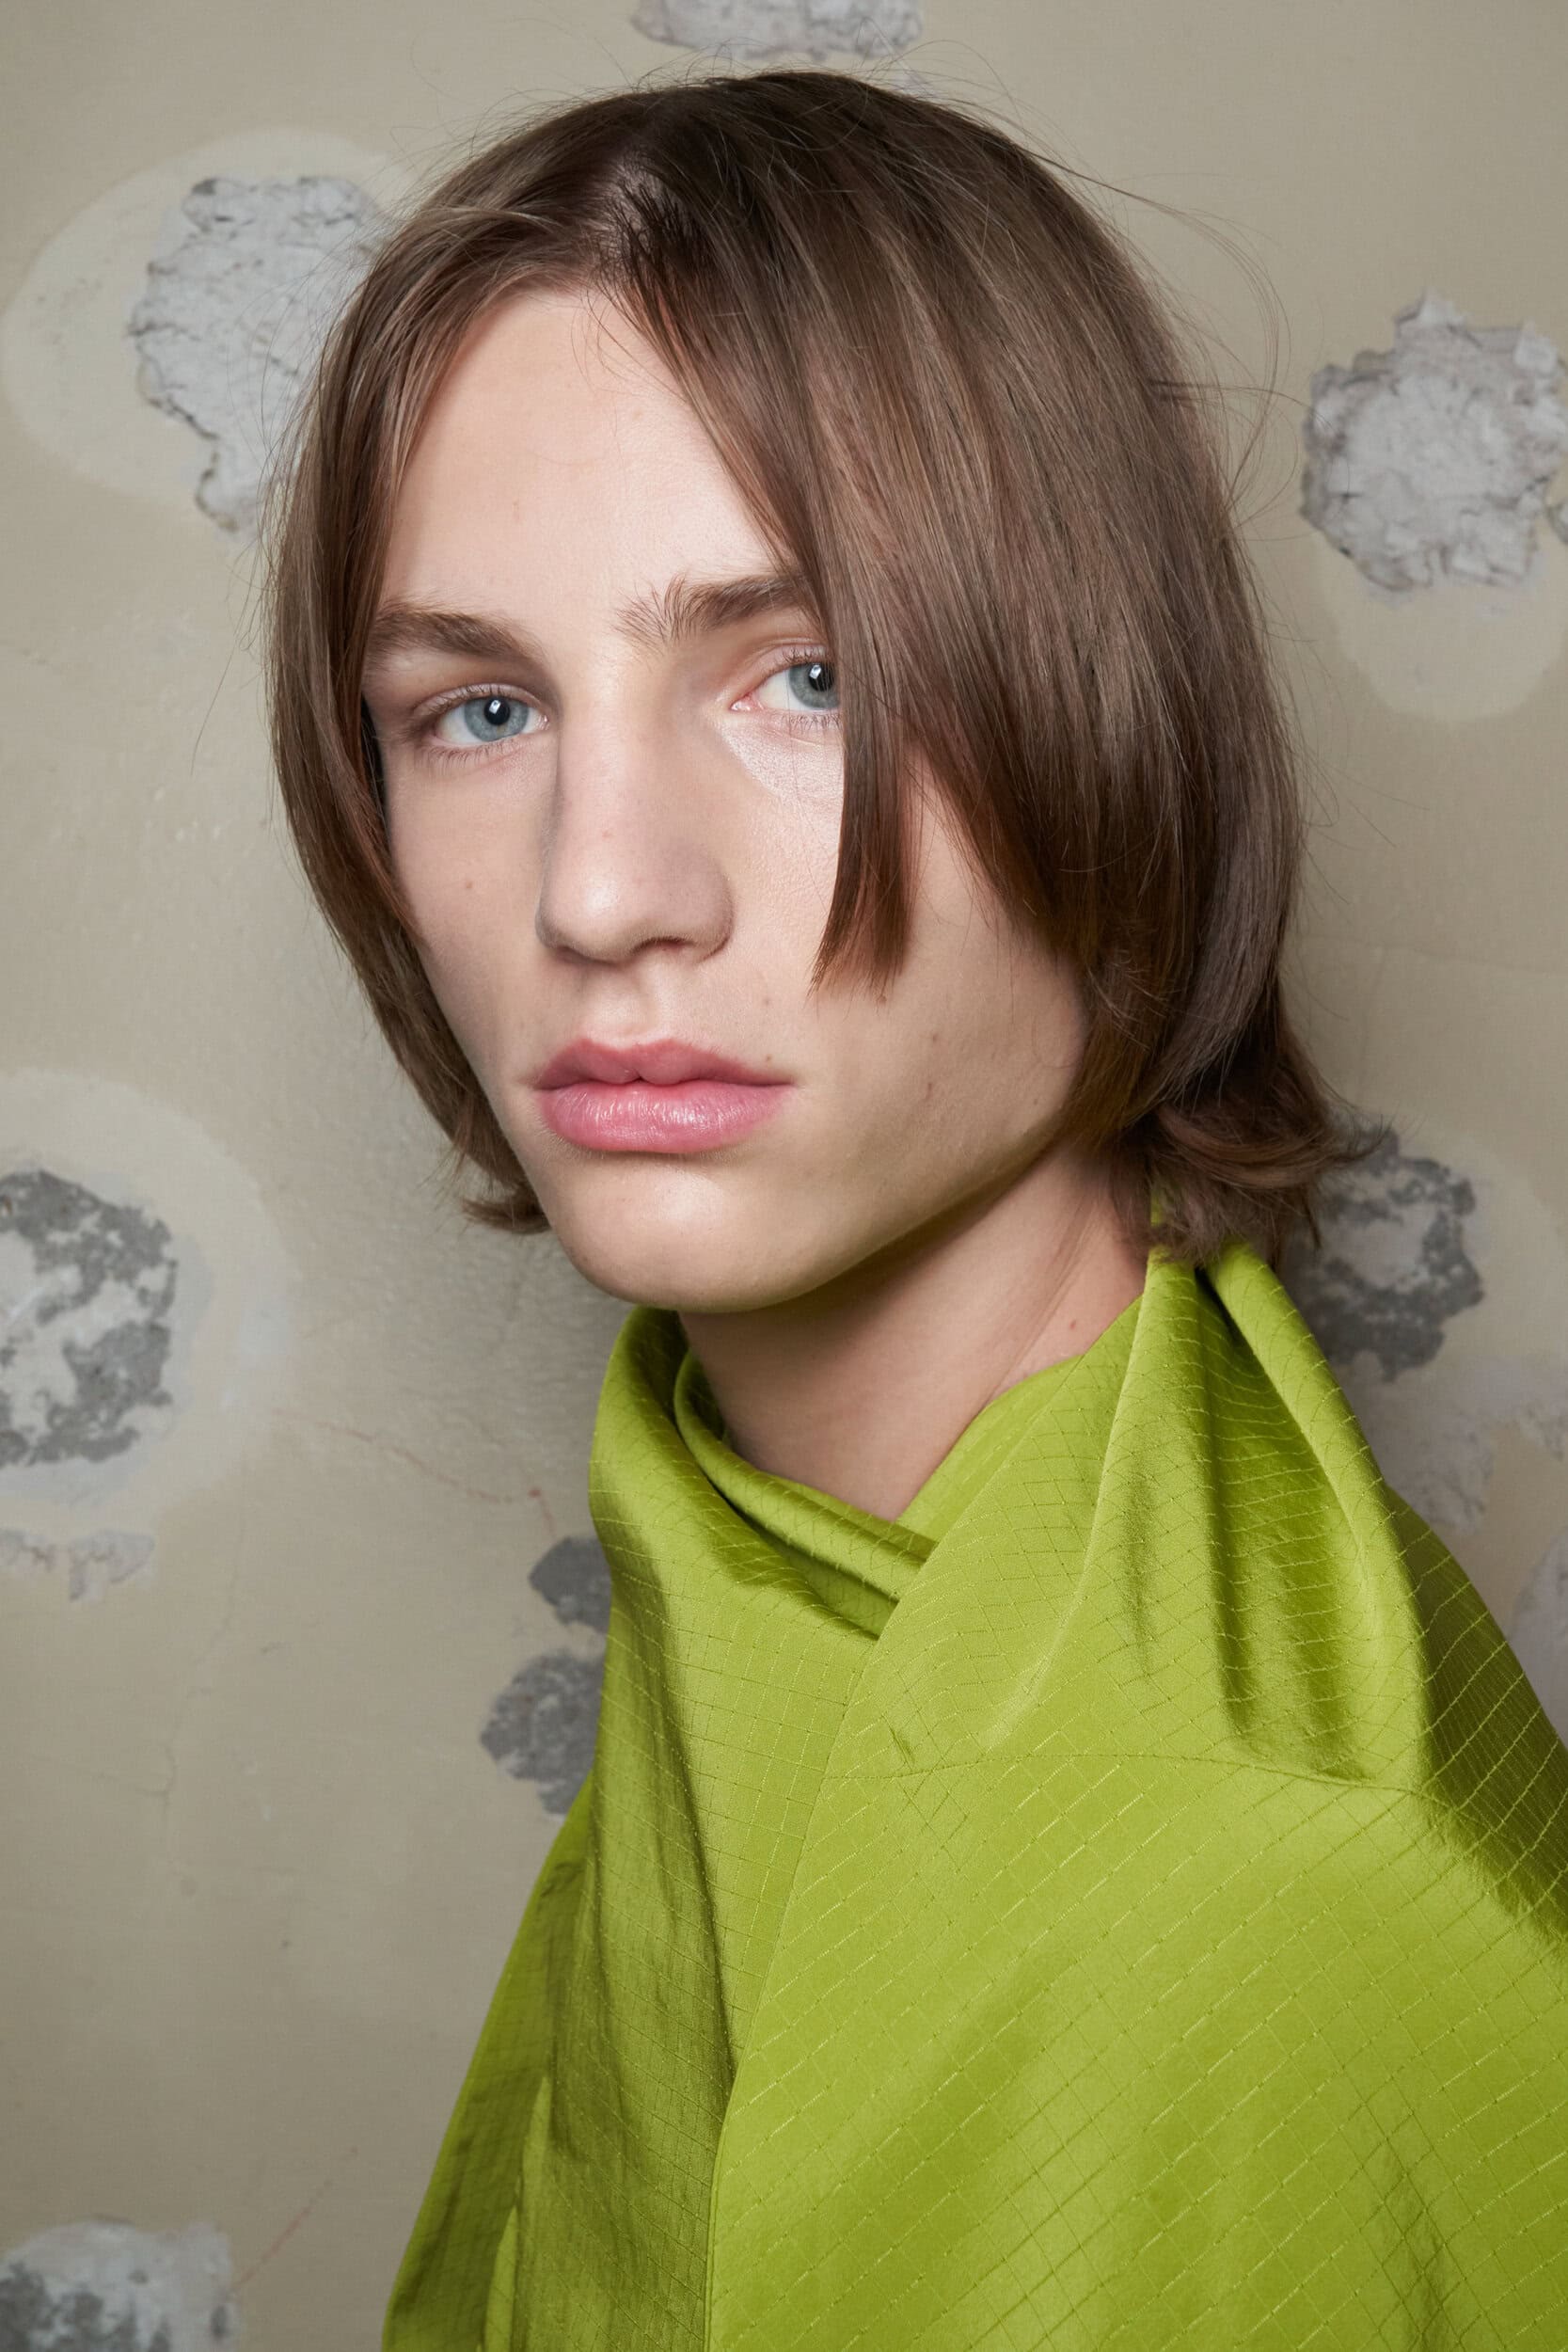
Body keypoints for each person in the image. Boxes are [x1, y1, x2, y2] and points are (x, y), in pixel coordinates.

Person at [260, 65, 1568, 2352]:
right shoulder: (768, 1575)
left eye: (808, 677)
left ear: (1114, 717)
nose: (598, 891)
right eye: (477, 711)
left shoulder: (1240, 1904)